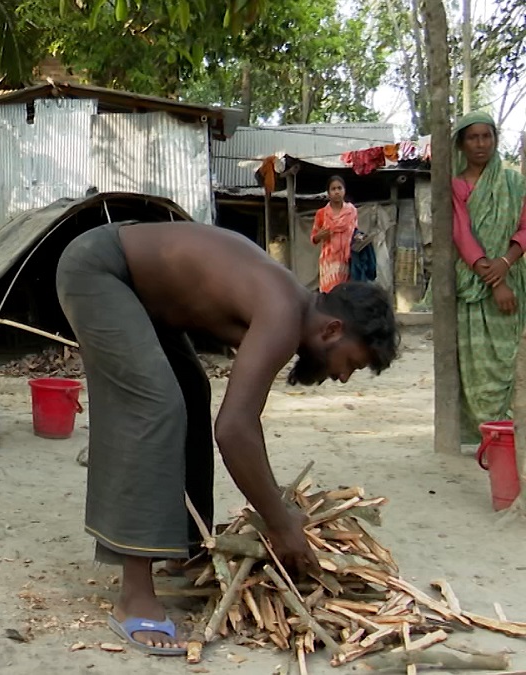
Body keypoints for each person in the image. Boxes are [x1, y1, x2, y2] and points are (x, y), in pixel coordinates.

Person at [55, 221, 399, 656]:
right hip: (100, 271)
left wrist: (278, 514)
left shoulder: (289, 308)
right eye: (351, 362)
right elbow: (235, 429)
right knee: (157, 405)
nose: (342, 376)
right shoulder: (282, 312)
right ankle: (134, 595)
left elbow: (238, 421)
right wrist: (280, 522)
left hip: (139, 291)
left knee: (190, 392)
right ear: (332, 330)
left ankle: (186, 547)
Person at [451, 111, 526, 443]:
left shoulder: (515, 183)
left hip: (514, 283)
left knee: (513, 360)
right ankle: (489, 438)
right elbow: (461, 232)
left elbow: (524, 228)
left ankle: (514, 433)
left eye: (487, 136)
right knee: (479, 366)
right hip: (474, 287)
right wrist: (495, 279)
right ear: (461, 143)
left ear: (495, 140)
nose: (481, 144)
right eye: (473, 137)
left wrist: (506, 264)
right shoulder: (454, 185)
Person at [311, 176, 359, 292]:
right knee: (330, 295)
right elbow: (314, 238)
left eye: (339, 188)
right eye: (333, 189)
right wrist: (320, 235)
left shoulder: (352, 211)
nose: (337, 191)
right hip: (329, 262)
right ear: (328, 193)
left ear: (344, 190)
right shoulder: (321, 213)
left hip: (346, 260)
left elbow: (355, 232)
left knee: (345, 294)